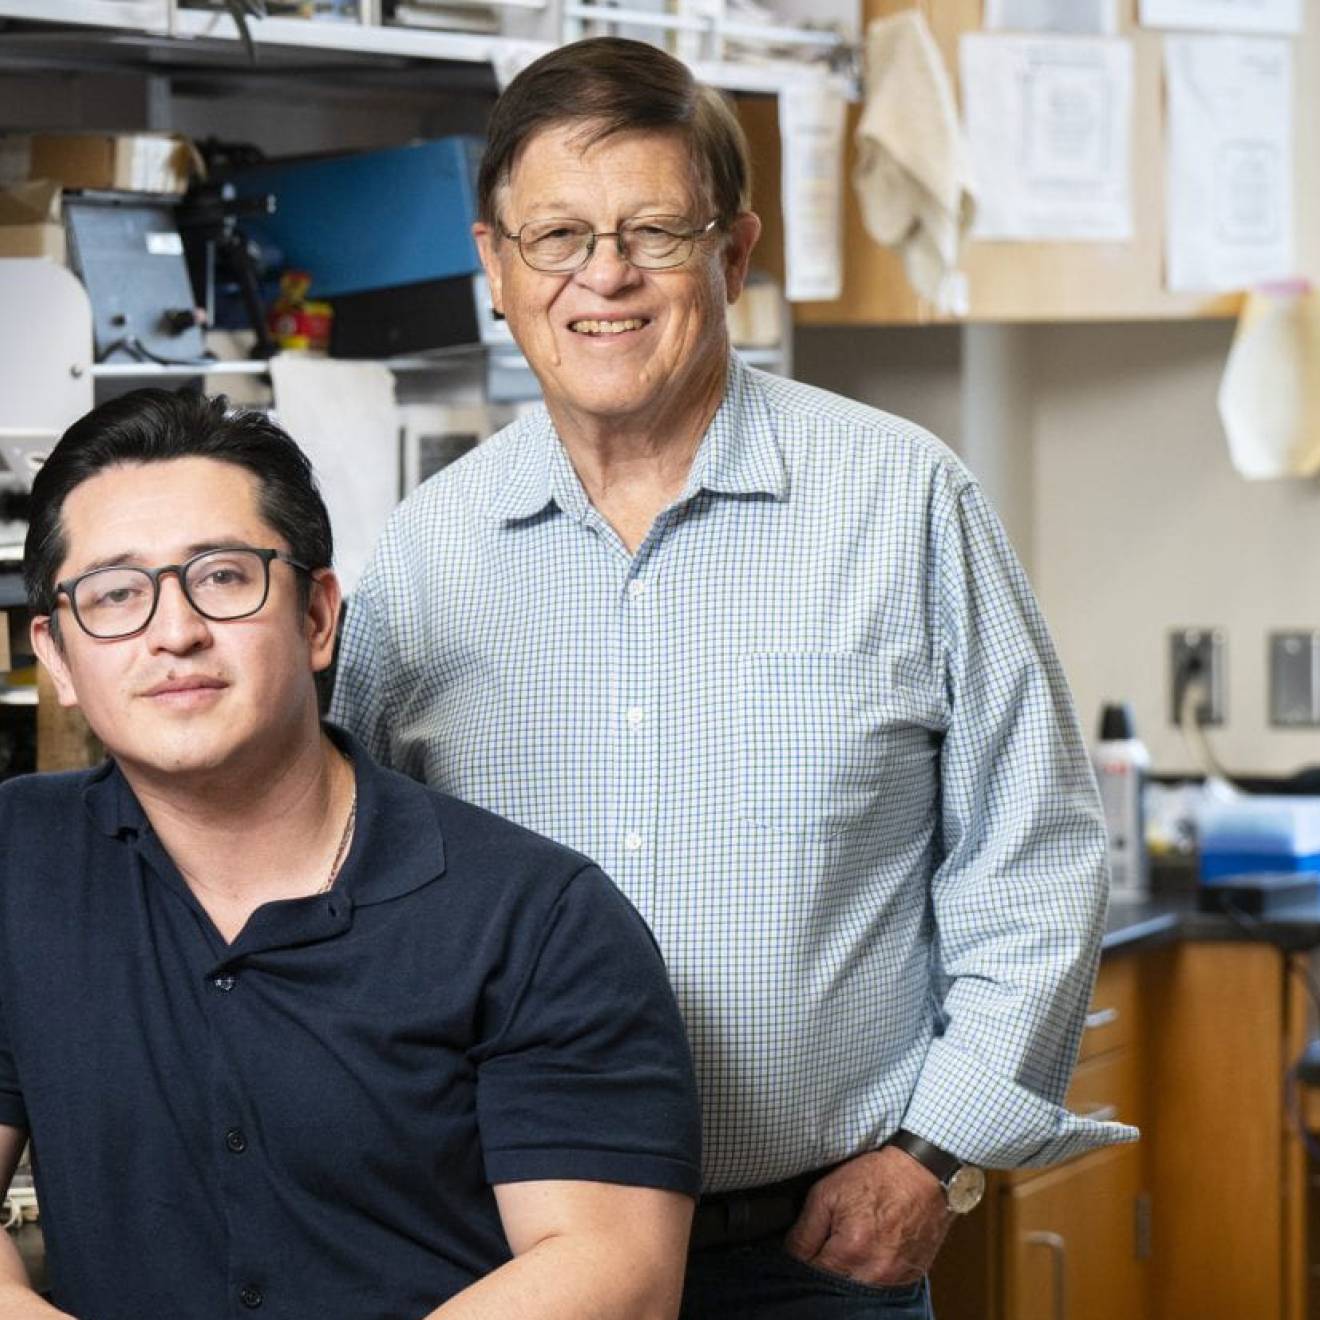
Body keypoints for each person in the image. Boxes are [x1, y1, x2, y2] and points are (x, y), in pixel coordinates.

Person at [331, 36, 1135, 1318]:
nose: (606, 275)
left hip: (811, 1261)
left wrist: (933, 1150)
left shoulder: (903, 501)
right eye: (559, 237)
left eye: (655, 229)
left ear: (736, 253)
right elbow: (345, 886)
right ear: (496, 265)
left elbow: (1033, 857)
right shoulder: (430, 552)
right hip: (511, 1262)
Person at [0, 388, 700, 1320]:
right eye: (115, 594)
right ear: (56, 654)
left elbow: (614, 1269)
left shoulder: (539, 918)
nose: (174, 633)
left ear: (318, 616)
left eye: (222, 576)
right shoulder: (19, 862)